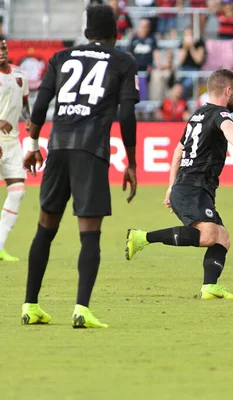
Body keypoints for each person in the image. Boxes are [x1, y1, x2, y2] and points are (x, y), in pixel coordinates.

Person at [21, 4, 139, 328]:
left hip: (57, 148)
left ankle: (30, 305)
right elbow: (127, 114)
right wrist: (132, 161)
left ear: (86, 33)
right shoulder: (124, 61)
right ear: (116, 34)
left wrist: (32, 146)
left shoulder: (61, 58)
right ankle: (81, 309)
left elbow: (41, 104)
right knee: (90, 235)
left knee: (45, 229)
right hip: (91, 149)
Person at [125, 69, 233, 300]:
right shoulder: (220, 114)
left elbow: (178, 150)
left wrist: (170, 186)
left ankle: (210, 287)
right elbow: (229, 128)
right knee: (208, 235)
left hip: (191, 186)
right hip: (193, 186)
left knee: (222, 238)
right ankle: (142, 237)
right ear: (228, 90)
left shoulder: (198, 115)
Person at [0, 39, 30, 262]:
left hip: (12, 142)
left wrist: (30, 119)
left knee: (17, 191)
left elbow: (25, 102)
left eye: (3, 48)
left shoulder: (20, 74)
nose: (2, 52)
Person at [178, 27, 205, 99]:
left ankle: (184, 102)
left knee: (186, 84)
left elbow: (198, 60)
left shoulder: (199, 43)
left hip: (195, 69)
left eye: (190, 34)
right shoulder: (182, 44)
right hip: (183, 69)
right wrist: (185, 47)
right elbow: (181, 60)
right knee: (177, 85)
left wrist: (191, 47)